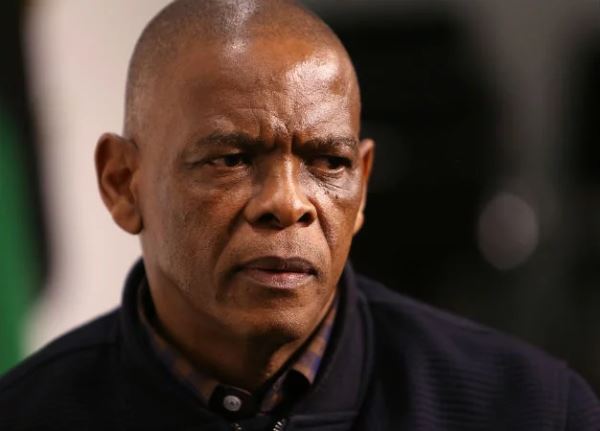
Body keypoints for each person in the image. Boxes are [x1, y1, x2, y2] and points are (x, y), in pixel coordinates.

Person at [1, 0, 599, 429]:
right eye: (231, 159)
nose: (288, 203)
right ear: (122, 183)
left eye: (329, 163)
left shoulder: (530, 410)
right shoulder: (27, 413)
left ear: (363, 185)